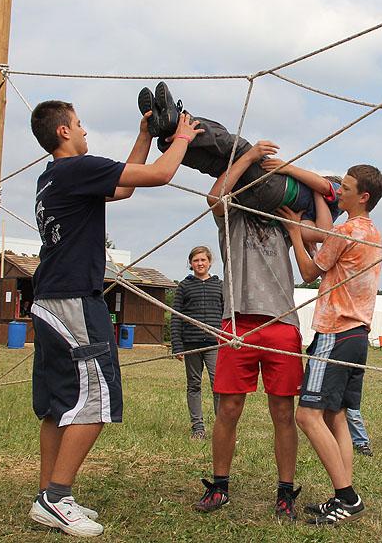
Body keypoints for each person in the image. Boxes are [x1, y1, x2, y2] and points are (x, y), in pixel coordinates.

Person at [27, 100, 201, 537]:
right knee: (95, 399)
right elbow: (159, 175)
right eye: (80, 124)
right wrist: (182, 136)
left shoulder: (51, 178)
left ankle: (48, 495)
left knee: (58, 405)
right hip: (74, 301)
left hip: (49, 299)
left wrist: (144, 135)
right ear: (64, 132)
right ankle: (57, 497)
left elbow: (123, 189)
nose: (85, 131)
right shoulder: (77, 168)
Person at [194, 141, 305, 521]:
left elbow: (323, 224)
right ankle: (220, 487)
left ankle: (285, 492)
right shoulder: (234, 218)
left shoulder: (285, 221)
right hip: (237, 322)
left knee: (283, 411)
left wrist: (287, 170)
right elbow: (214, 197)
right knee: (228, 408)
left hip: (281, 323)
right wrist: (250, 156)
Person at [279, 164, 382, 525]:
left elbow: (310, 272)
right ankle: (342, 495)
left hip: (335, 332)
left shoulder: (346, 229)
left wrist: (294, 232)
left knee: (307, 415)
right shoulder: (373, 232)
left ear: (363, 197)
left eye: (347, 188)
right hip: (358, 336)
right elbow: (329, 258)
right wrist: (310, 238)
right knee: (336, 415)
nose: (339, 191)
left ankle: (348, 497)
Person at [140, 81, 341, 247]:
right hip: (258, 204)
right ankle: (168, 138)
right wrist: (297, 225)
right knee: (219, 167)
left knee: (237, 149)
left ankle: (177, 121)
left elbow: (324, 187)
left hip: (279, 187)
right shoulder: (320, 216)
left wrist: (289, 169)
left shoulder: (337, 192)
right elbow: (320, 233)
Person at [171, 246, 224, 440]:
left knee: (218, 385)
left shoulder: (220, 286)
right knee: (193, 384)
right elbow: (176, 317)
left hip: (214, 343)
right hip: (191, 342)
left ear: (209, 262)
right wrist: (177, 345)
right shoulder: (184, 286)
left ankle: (222, 428)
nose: (200, 263)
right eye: (196, 260)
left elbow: (227, 315)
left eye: (203, 260)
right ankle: (198, 428)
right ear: (190, 263)